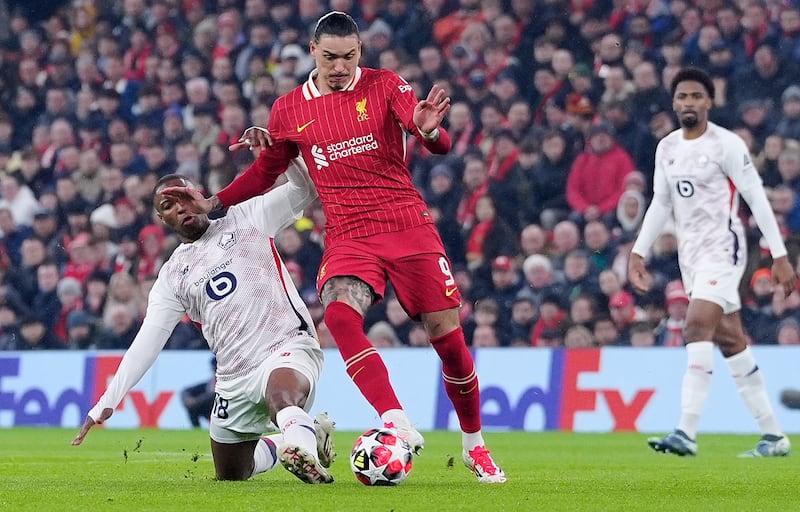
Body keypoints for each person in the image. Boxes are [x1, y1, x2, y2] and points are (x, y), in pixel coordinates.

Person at [161, 11, 505, 483]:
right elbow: (268, 171)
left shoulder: (385, 85)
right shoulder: (289, 109)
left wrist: (426, 131)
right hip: (348, 232)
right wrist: (215, 201)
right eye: (330, 57)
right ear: (313, 52)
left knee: (450, 344)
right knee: (340, 315)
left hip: (407, 225)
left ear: (360, 51)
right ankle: (395, 419)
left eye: (348, 56)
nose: (340, 66)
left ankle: (474, 445)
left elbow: (437, 140)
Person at [73, 163, 336, 484]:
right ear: (162, 219)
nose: (180, 207)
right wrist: (106, 402)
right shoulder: (172, 276)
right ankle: (300, 438)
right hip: (233, 379)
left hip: (287, 347)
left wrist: (281, 154)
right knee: (233, 473)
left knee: (281, 397)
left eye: (183, 196)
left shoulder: (247, 218)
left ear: (199, 193)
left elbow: (304, 188)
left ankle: (301, 447)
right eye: (168, 206)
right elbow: (146, 344)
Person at [628, 67, 794, 458]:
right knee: (731, 339)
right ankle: (774, 436)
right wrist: (639, 250)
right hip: (691, 257)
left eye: (695, 96)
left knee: (696, 325)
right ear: (674, 103)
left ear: (709, 102)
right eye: (682, 97)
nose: (688, 102)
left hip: (724, 248)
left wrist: (780, 255)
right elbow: (661, 203)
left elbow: (756, 199)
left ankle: (685, 431)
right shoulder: (666, 147)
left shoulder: (728, 145)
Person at [182, 356, 217, 428]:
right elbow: (187, 390)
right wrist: (188, 398)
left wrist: (196, 401)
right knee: (192, 407)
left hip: (223, 409)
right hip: (210, 409)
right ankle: (196, 430)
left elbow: (214, 394)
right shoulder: (211, 383)